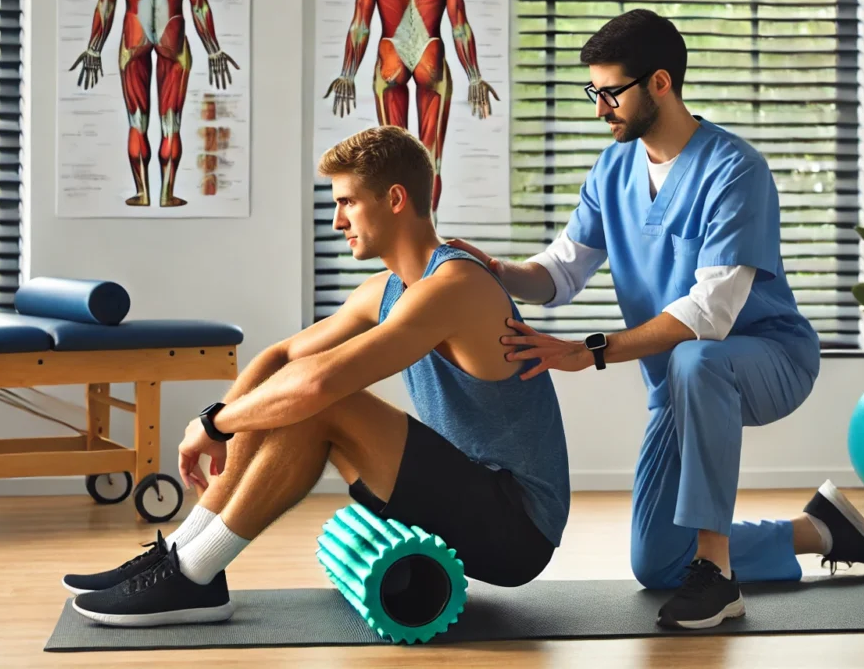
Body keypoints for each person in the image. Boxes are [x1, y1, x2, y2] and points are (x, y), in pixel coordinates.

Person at [449, 10, 864, 631]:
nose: (599, 107)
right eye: (593, 92)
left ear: (660, 82)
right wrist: (491, 270)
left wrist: (592, 350)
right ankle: (820, 529)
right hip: (677, 384)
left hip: (768, 359)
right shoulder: (613, 170)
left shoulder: (734, 169)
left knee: (696, 356)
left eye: (610, 93)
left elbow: (710, 314)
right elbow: (560, 272)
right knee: (656, 562)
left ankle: (718, 578)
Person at [62, 125, 571, 627]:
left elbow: (317, 386)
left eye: (347, 202)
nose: (335, 220)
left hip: (517, 526)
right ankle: (180, 555)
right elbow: (283, 358)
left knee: (324, 400)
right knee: (293, 395)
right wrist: (216, 422)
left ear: (395, 198)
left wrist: (216, 425)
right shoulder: (386, 290)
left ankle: (193, 574)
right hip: (471, 492)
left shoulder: (457, 286)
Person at [323, 0, 499, 214]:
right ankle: (429, 234)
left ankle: (403, 241)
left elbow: (360, 24)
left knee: (393, 163)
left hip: (391, 56)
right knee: (431, 160)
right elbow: (460, 26)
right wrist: (474, 77)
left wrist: (348, 73)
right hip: (430, 56)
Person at [70, 0, 239, 209]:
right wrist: (213, 49)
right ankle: (167, 194)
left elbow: (107, 3)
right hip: (173, 37)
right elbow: (198, 5)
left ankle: (143, 193)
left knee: (137, 120)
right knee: (171, 121)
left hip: (133, 38)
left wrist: (94, 47)